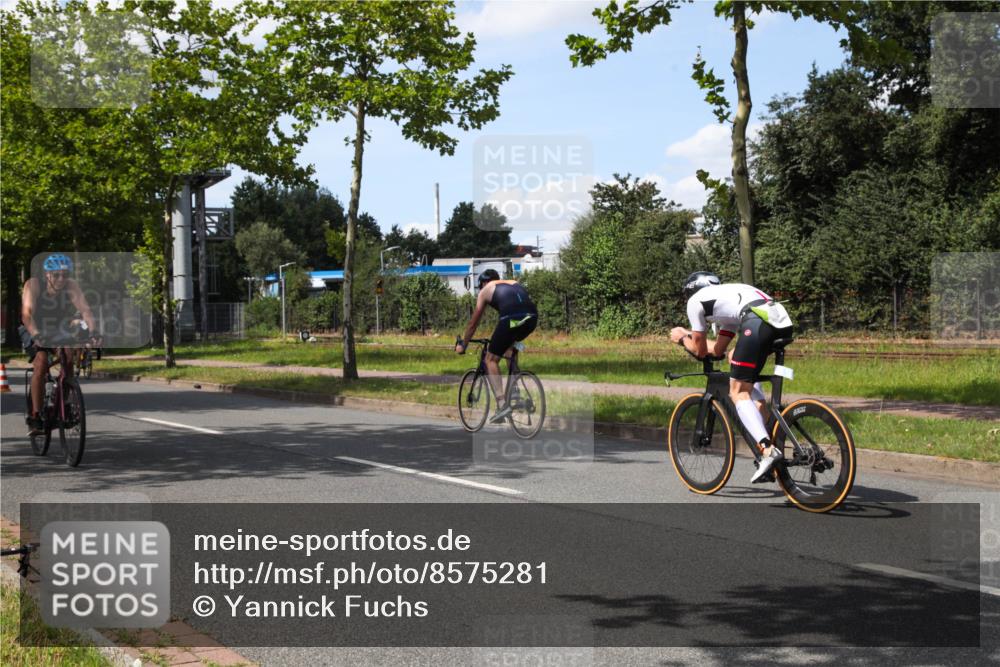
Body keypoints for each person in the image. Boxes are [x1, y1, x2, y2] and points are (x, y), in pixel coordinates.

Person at [670, 271, 793, 483]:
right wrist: (719, 351)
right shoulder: (727, 304)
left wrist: (682, 338)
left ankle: (766, 450)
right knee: (740, 364)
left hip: (756, 322)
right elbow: (717, 350)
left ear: (691, 290)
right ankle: (764, 420)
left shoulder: (695, 301)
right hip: (779, 321)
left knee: (737, 392)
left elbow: (699, 351)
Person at [20, 254, 100, 433]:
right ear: (47, 274)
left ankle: (62, 404)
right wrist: (36, 334)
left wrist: (94, 331)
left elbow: (85, 310)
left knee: (69, 358)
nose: (61, 279)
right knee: (40, 363)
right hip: (34, 326)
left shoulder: (71, 286)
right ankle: (36, 414)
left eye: (65, 274)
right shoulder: (33, 285)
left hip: (57, 327)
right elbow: (26, 314)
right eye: (56, 275)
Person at [455, 269, 538, 423]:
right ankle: (515, 391)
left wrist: (463, 345)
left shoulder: (486, 290)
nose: (481, 289)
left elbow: (473, 324)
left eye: (480, 286)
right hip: (531, 317)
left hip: (511, 319)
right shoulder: (514, 282)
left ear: (484, 283)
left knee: (490, 360)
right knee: (509, 347)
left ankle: (501, 405)